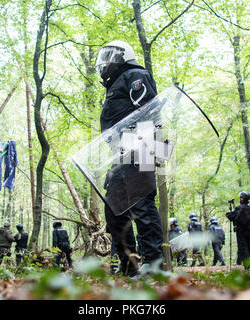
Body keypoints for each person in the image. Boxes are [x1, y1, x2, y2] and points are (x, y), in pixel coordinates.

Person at [96, 40, 163, 277]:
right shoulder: (115, 84)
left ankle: (153, 264)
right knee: (114, 209)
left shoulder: (135, 75)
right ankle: (128, 264)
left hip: (141, 148)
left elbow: (150, 111)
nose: (105, 61)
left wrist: (152, 151)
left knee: (142, 206)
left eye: (110, 56)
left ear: (123, 56)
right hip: (121, 154)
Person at [226, 191, 250, 265]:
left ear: (242, 199)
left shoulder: (239, 208)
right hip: (249, 231)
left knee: (243, 248)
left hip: (241, 231)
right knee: (249, 247)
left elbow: (232, 216)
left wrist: (229, 213)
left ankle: (247, 265)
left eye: (240, 198)